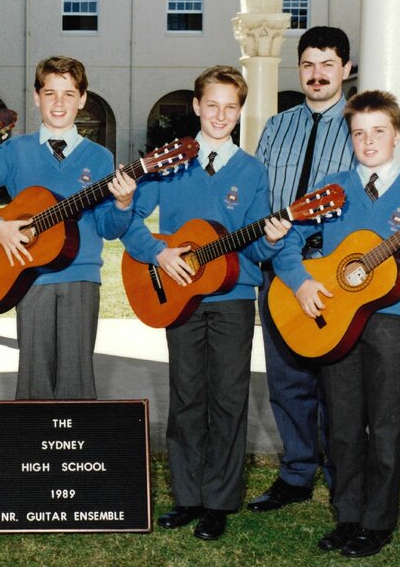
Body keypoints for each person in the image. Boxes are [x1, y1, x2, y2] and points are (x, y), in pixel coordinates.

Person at [272, 90, 400, 557]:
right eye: (359, 133)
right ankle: (348, 514)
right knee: (341, 424)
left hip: (391, 322)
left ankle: (377, 522)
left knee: (383, 424)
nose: (369, 141)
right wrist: (300, 282)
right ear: (350, 137)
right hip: (337, 321)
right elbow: (288, 238)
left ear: (397, 134)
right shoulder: (333, 187)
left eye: (379, 131)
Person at [121, 66, 291, 541]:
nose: (221, 115)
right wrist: (158, 252)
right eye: (211, 105)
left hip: (234, 300)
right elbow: (131, 220)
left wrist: (273, 240)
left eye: (230, 107)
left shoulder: (252, 170)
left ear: (241, 111)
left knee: (230, 399)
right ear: (196, 106)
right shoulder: (171, 162)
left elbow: (255, 247)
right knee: (186, 396)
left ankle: (219, 501)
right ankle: (187, 496)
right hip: (180, 296)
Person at [0, 56, 136, 400]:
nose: (59, 102)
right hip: (30, 277)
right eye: (50, 93)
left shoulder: (100, 158)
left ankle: (76, 452)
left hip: (81, 277)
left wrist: (123, 205)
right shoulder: (15, 151)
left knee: (77, 383)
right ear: (36, 97)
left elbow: (108, 228)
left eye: (69, 94)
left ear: (83, 99)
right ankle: (30, 452)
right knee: (33, 382)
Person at [249, 25, 357, 512]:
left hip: (333, 271)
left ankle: (342, 474)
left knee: (335, 378)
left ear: (346, 70)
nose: (317, 75)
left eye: (327, 65)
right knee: (286, 376)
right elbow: (258, 194)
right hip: (278, 266)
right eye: (309, 64)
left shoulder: (359, 127)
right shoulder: (277, 126)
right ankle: (296, 473)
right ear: (299, 69)